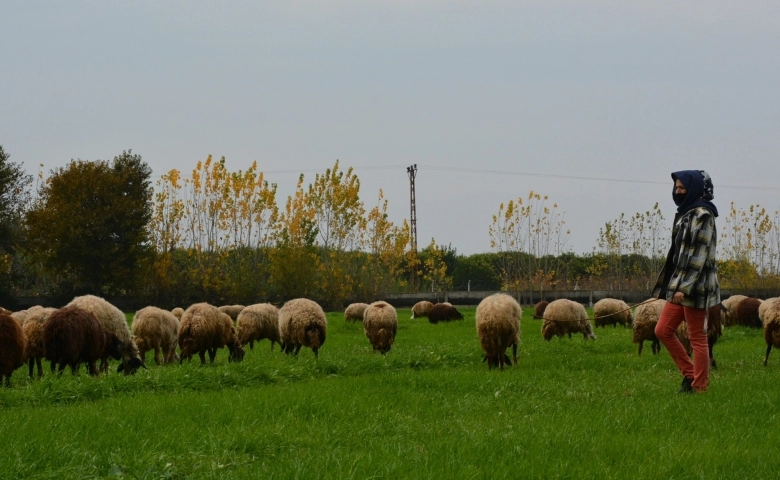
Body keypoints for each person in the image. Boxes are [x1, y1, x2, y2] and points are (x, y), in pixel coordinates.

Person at [652, 170, 720, 393]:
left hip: (695, 287)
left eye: (683, 188)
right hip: (679, 284)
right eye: (677, 188)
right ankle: (690, 374)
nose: (678, 192)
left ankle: (699, 387)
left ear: (695, 189)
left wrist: (685, 287)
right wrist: (673, 285)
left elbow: (698, 256)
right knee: (662, 330)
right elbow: (679, 255)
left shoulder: (703, 215)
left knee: (696, 337)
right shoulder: (685, 213)